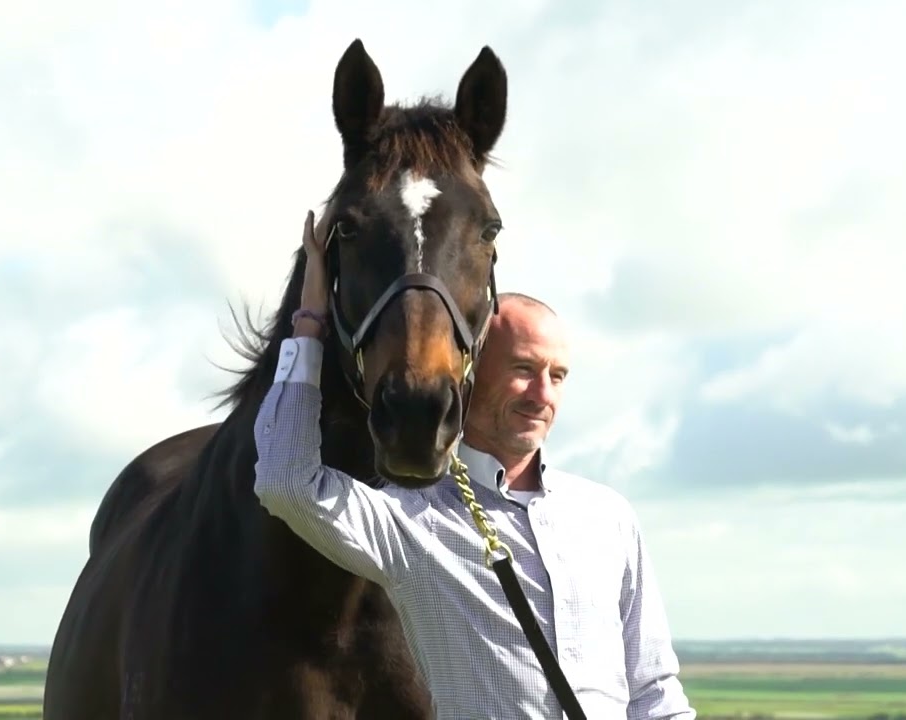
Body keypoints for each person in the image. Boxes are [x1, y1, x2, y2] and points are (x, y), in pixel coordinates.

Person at [252, 211, 696, 720]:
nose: (542, 395)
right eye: (524, 370)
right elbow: (285, 480)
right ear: (469, 369)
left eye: (558, 375)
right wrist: (309, 325)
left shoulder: (607, 516)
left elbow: (654, 690)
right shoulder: (410, 520)